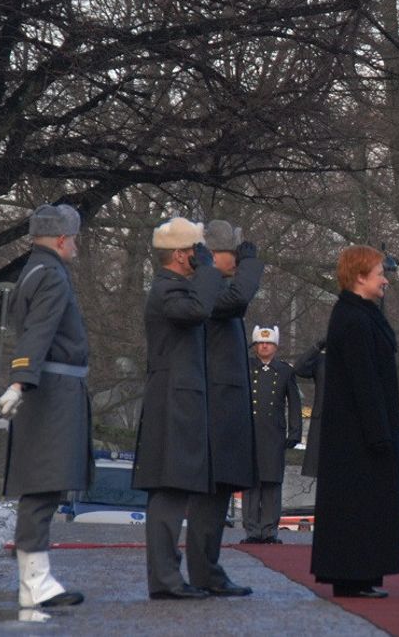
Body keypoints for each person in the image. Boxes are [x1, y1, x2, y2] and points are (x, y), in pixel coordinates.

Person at [0, 204, 90, 608]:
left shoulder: (32, 271)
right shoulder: (52, 275)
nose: (76, 246)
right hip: (51, 392)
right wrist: (19, 381)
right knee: (43, 488)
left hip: (44, 389)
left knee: (43, 486)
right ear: (61, 239)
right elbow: (39, 332)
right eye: (74, 239)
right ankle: (35, 583)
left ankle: (35, 579)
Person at [134, 217, 221, 600]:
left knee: (175, 492)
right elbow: (198, 310)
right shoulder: (169, 290)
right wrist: (210, 270)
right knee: (169, 492)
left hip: (179, 400)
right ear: (183, 255)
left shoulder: (177, 289)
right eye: (197, 252)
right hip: (173, 401)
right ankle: (166, 581)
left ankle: (169, 579)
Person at [311, 245, 399, 599]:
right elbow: (363, 380)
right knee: (356, 508)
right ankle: (352, 575)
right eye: (380, 273)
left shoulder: (361, 314)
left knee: (364, 507)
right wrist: (378, 432)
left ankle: (361, 574)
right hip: (357, 435)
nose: (385, 280)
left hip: (361, 431)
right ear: (360, 277)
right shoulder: (352, 319)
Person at [186, 220, 262, 596]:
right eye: (234, 252)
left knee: (215, 498)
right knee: (208, 497)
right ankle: (204, 571)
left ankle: (208, 569)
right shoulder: (206, 286)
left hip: (223, 402)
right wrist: (252, 266)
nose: (239, 257)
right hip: (215, 404)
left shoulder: (210, 286)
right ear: (217, 255)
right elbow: (237, 301)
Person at [242, 325, 301, 544]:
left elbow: (294, 403)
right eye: (260, 342)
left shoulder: (284, 371)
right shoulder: (246, 367)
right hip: (249, 433)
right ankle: (251, 530)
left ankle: (269, 530)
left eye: (268, 343)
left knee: (272, 483)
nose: (264, 346)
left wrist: (295, 431)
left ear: (275, 346)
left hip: (274, 435)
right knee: (250, 483)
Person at [293, 337, 327, 478]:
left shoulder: (355, 360)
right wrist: (318, 346)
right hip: (321, 423)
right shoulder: (321, 360)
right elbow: (299, 368)